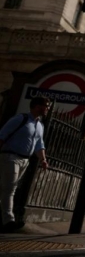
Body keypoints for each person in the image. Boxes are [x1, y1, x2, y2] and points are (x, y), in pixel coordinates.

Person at [0, 96, 50, 232]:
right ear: (37, 106)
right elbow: (2, 135)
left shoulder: (40, 125)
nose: (48, 108)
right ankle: (8, 221)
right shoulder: (20, 119)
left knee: (9, 188)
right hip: (10, 156)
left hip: (25, 160)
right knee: (10, 189)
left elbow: (39, 144)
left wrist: (43, 159)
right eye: (46, 105)